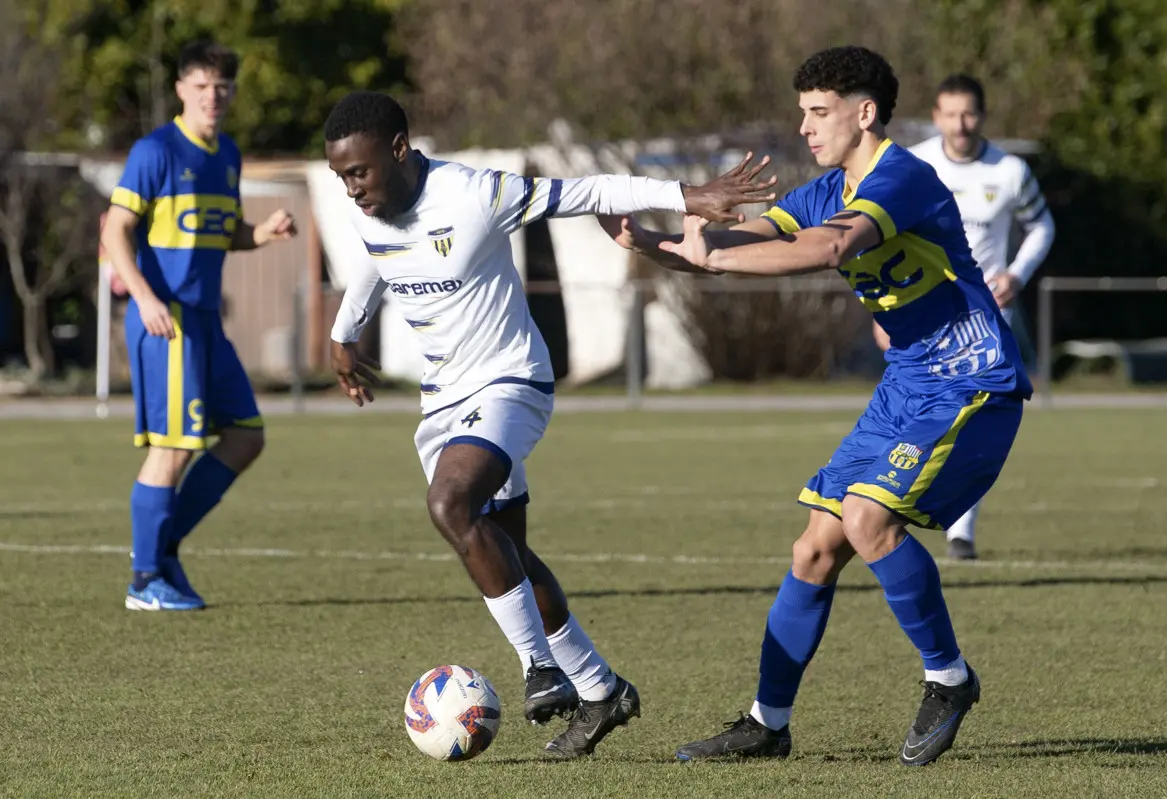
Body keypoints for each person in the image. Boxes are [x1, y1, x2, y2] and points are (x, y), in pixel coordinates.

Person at [603, 45, 1032, 766]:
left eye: (818, 112)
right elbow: (742, 239)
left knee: (867, 519)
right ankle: (768, 722)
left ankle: (949, 678)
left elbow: (831, 248)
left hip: (969, 380)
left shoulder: (904, 178)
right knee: (816, 544)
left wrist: (712, 257)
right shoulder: (824, 190)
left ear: (864, 113)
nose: (803, 127)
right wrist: (655, 242)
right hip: (907, 382)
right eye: (801, 112)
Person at [321, 90, 776, 758]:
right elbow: (372, 260)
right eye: (340, 177)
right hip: (443, 401)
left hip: (510, 381)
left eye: (357, 172)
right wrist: (343, 335)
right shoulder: (371, 211)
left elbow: (586, 189)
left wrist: (687, 196)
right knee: (509, 557)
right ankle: (601, 690)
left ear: (397, 149)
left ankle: (539, 667)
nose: (351, 189)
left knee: (449, 503)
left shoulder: (474, 193)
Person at [100, 40, 298, 611]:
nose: (214, 96)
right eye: (203, 86)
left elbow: (226, 230)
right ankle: (144, 581)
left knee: (245, 435)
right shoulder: (155, 150)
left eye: (224, 87)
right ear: (182, 90)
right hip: (168, 320)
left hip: (207, 320)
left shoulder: (227, 154)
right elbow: (115, 232)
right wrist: (143, 298)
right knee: (174, 447)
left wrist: (261, 234)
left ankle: (163, 552)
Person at [874, 73, 1055, 560]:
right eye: (951, 114)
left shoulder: (1010, 171)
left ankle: (960, 528)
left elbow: (1042, 226)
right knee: (914, 410)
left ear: (983, 115)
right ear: (936, 117)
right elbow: (883, 236)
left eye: (969, 113)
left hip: (986, 314)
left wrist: (1016, 275)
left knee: (975, 417)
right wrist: (880, 308)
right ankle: (890, 504)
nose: (961, 123)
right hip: (921, 310)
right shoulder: (917, 164)